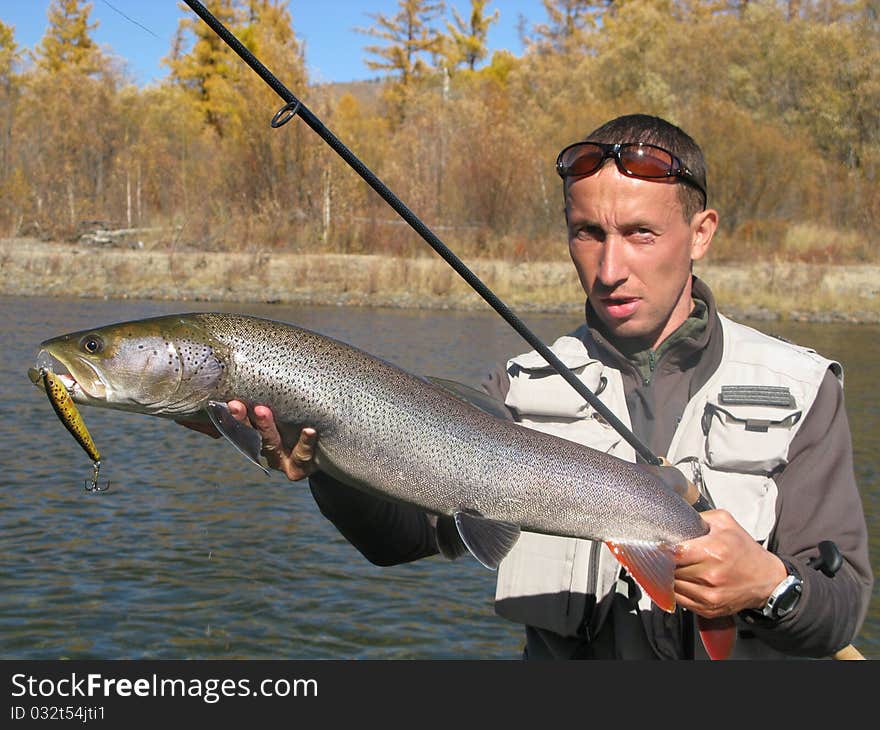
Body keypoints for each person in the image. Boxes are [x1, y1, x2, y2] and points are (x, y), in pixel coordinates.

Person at [191, 114, 873, 659]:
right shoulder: (512, 391)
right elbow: (399, 542)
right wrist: (326, 462)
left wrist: (771, 587)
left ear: (700, 234)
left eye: (640, 233)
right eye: (587, 233)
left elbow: (838, 614)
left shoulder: (802, 387)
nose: (609, 268)